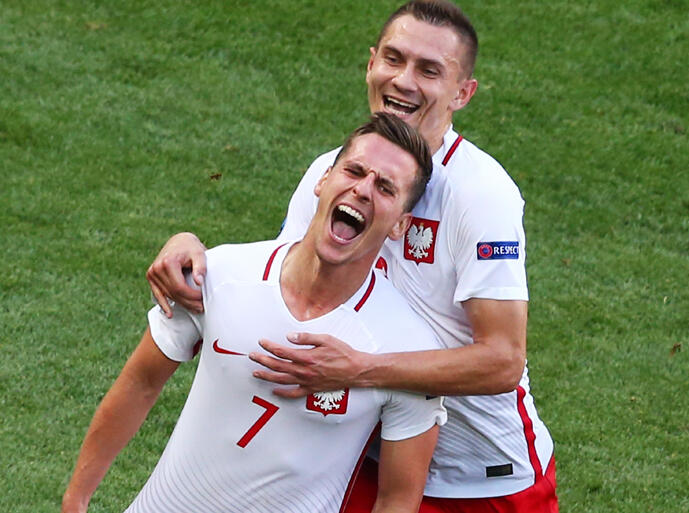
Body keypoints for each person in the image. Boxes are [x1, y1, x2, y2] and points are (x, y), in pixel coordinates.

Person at [147, 1, 558, 512]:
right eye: (393, 58)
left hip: (479, 479)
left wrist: (361, 370)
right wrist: (191, 247)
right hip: (365, 456)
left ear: (462, 93)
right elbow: (284, 288)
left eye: (429, 70)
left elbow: (502, 361)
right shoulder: (337, 172)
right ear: (370, 64)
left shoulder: (481, 197)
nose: (403, 81)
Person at [61, 113, 447, 513]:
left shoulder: (408, 352)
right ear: (322, 180)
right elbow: (140, 383)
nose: (363, 190)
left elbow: (398, 498)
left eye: (385, 187)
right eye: (354, 171)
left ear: (401, 225)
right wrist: (76, 499)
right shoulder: (220, 275)